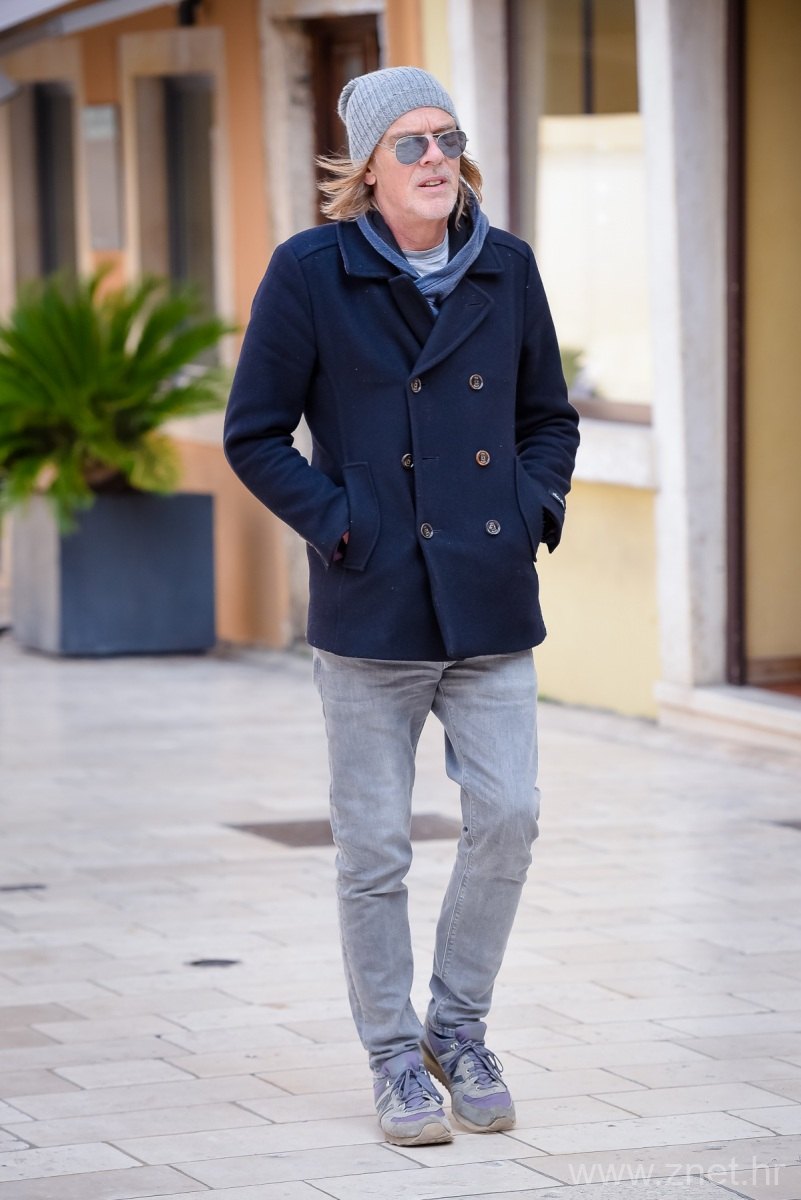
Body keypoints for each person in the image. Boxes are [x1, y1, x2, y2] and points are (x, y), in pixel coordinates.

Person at [224, 66, 579, 1147]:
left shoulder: (507, 266)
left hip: (487, 596)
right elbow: (254, 434)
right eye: (410, 144)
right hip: (373, 605)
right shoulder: (311, 272)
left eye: (447, 139)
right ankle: (392, 1056)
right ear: (367, 167)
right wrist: (346, 526)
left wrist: (529, 505)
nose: (435, 159)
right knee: (374, 850)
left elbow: (547, 418)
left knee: (509, 817)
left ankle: (456, 1029)